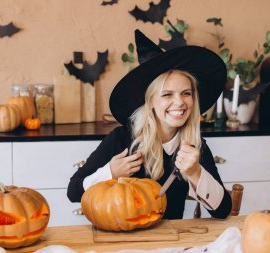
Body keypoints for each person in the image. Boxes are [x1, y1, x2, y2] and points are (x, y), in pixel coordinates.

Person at [67, 30, 232, 219]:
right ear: (151, 101)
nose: (179, 103)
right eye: (167, 94)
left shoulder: (194, 147)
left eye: (186, 93)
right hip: (126, 241)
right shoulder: (121, 139)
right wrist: (110, 173)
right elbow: (73, 192)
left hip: (169, 243)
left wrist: (195, 172)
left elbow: (223, 211)